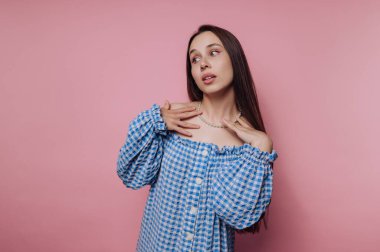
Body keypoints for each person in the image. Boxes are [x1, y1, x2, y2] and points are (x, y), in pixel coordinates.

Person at [116, 24, 279, 252]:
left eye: (214, 52)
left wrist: (262, 146)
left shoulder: (251, 148)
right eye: (195, 59)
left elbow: (239, 216)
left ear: (235, 59)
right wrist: (154, 121)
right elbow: (130, 173)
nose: (203, 64)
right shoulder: (171, 119)